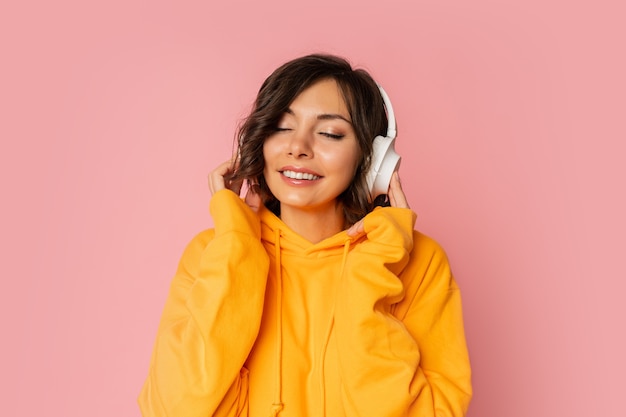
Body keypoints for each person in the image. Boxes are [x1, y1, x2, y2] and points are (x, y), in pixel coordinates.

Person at [138, 54, 472, 416]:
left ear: (373, 159)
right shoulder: (215, 252)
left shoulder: (417, 260)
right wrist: (238, 243)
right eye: (281, 127)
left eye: (329, 133)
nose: (298, 147)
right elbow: (173, 408)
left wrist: (375, 267)